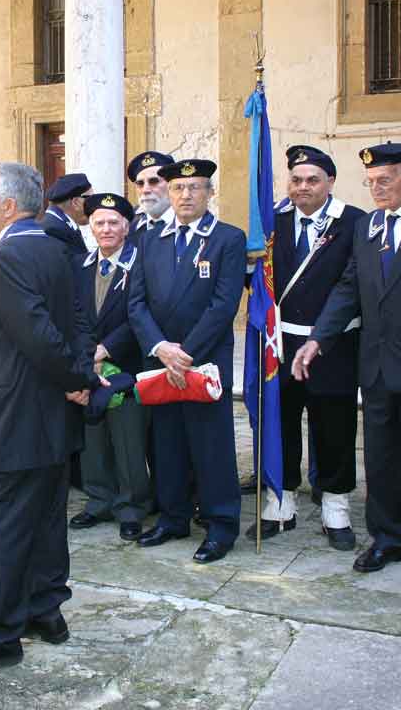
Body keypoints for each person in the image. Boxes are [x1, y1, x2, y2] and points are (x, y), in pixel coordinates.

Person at [0, 162, 98, 669]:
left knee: (6, 523)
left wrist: (78, 380)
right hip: (50, 411)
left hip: (18, 412)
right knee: (47, 516)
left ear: (10, 205)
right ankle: (45, 610)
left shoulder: (10, 254)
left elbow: (37, 334)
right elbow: (78, 322)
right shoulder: (56, 246)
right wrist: (76, 377)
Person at [293, 143, 401, 585]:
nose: (376, 189)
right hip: (374, 366)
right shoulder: (368, 227)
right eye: (370, 182)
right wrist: (318, 339)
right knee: (381, 459)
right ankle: (387, 538)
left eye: (384, 180)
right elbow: (349, 288)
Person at [128, 159, 247, 564]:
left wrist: (185, 354)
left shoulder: (227, 239)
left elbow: (223, 305)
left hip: (203, 361)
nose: (185, 196)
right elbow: (136, 302)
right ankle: (173, 517)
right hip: (164, 362)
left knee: (210, 445)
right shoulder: (150, 239)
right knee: (168, 443)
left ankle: (221, 524)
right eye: (178, 188)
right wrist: (161, 348)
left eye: (195, 188)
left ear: (210, 193)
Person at [260, 145, 364, 550]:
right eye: (296, 180)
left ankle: (335, 506)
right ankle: (280, 499)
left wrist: (323, 336)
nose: (302, 187)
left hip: (333, 344)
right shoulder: (273, 222)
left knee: (334, 426)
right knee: (282, 421)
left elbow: (352, 286)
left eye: (312, 180)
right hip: (281, 343)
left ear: (331, 183)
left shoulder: (353, 222)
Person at [67, 192, 151, 542]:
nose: (106, 229)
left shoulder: (141, 263)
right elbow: (73, 314)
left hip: (128, 364)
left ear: (126, 226)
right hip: (90, 366)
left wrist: (106, 349)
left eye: (113, 222)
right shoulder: (79, 265)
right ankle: (99, 500)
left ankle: (131, 508)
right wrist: (88, 354)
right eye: (99, 222)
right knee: (92, 437)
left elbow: (141, 315)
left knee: (128, 440)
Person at [126, 151, 175, 242]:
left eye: (154, 181)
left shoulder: (189, 220)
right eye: (140, 183)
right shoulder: (128, 225)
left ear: (171, 184)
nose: (145, 190)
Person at [41, 172, 91, 258]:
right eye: (90, 198)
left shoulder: (60, 223)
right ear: (76, 202)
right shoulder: (54, 230)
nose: (93, 204)